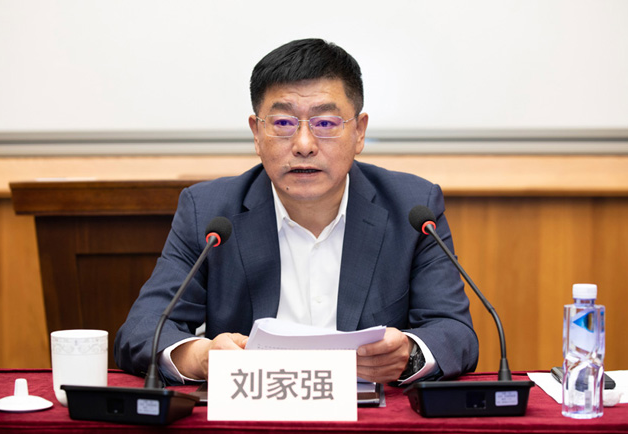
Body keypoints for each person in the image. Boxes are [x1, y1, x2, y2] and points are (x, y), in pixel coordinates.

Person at [114, 38, 478, 385]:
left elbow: (455, 332)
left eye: (326, 123)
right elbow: (142, 330)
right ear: (257, 134)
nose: (304, 145)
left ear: (359, 132)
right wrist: (201, 357)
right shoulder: (209, 212)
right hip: (252, 410)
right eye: (283, 123)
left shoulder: (412, 208)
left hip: (364, 412)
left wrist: (407, 354)